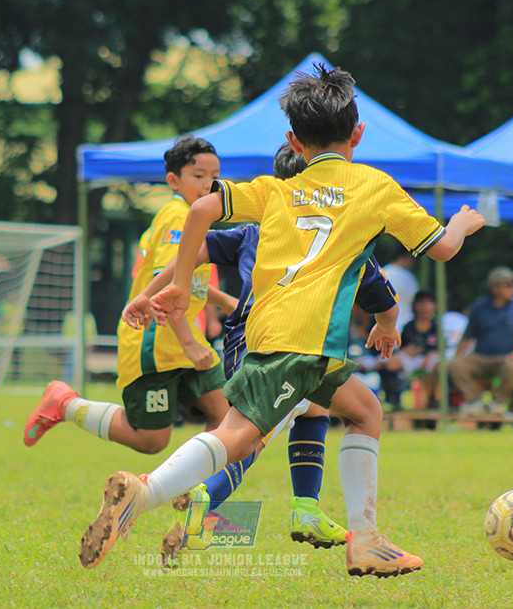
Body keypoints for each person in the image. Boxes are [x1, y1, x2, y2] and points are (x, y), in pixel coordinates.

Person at [79, 63, 485, 577]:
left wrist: (180, 282)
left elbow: (201, 210)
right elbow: (443, 250)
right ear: (358, 132)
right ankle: (144, 493)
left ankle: (365, 541)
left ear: (294, 139)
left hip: (274, 335)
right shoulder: (376, 187)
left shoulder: (275, 190)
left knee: (364, 410)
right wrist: (463, 223)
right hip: (304, 341)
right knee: (238, 436)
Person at [122, 143, 402, 552]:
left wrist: (148, 292)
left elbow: (197, 251)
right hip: (280, 344)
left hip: (263, 342)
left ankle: (306, 505)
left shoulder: (255, 228)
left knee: (317, 403)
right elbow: (381, 292)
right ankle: (196, 498)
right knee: (248, 439)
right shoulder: (340, 234)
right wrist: (387, 323)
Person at [22, 137, 232, 455]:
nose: (209, 184)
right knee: (151, 440)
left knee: (225, 416)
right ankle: (66, 404)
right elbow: (169, 284)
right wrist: (189, 343)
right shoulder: (179, 217)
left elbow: (187, 277)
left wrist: (226, 302)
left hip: (186, 340)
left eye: (214, 175)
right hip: (155, 343)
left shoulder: (197, 216)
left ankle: (199, 494)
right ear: (173, 181)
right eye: (198, 175)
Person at [449, 266, 513, 415]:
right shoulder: (480, 307)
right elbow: (467, 336)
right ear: (495, 289)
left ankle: (497, 403)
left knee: (512, 367)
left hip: (506, 357)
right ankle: (475, 401)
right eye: (508, 285)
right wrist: (457, 356)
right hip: (481, 356)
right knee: (455, 365)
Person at [383, 290, 439, 408]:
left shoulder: (437, 327)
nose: (424, 308)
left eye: (428, 303)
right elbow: (401, 347)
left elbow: (441, 348)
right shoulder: (409, 327)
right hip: (411, 359)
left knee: (438, 364)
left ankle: (433, 400)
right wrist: (406, 351)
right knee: (391, 363)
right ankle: (394, 400)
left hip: (429, 359)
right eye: (421, 303)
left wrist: (430, 354)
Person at [381, 252, 419, 329]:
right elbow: (416, 299)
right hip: (406, 323)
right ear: (402, 257)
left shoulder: (383, 272)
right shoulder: (408, 276)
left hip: (384, 324)